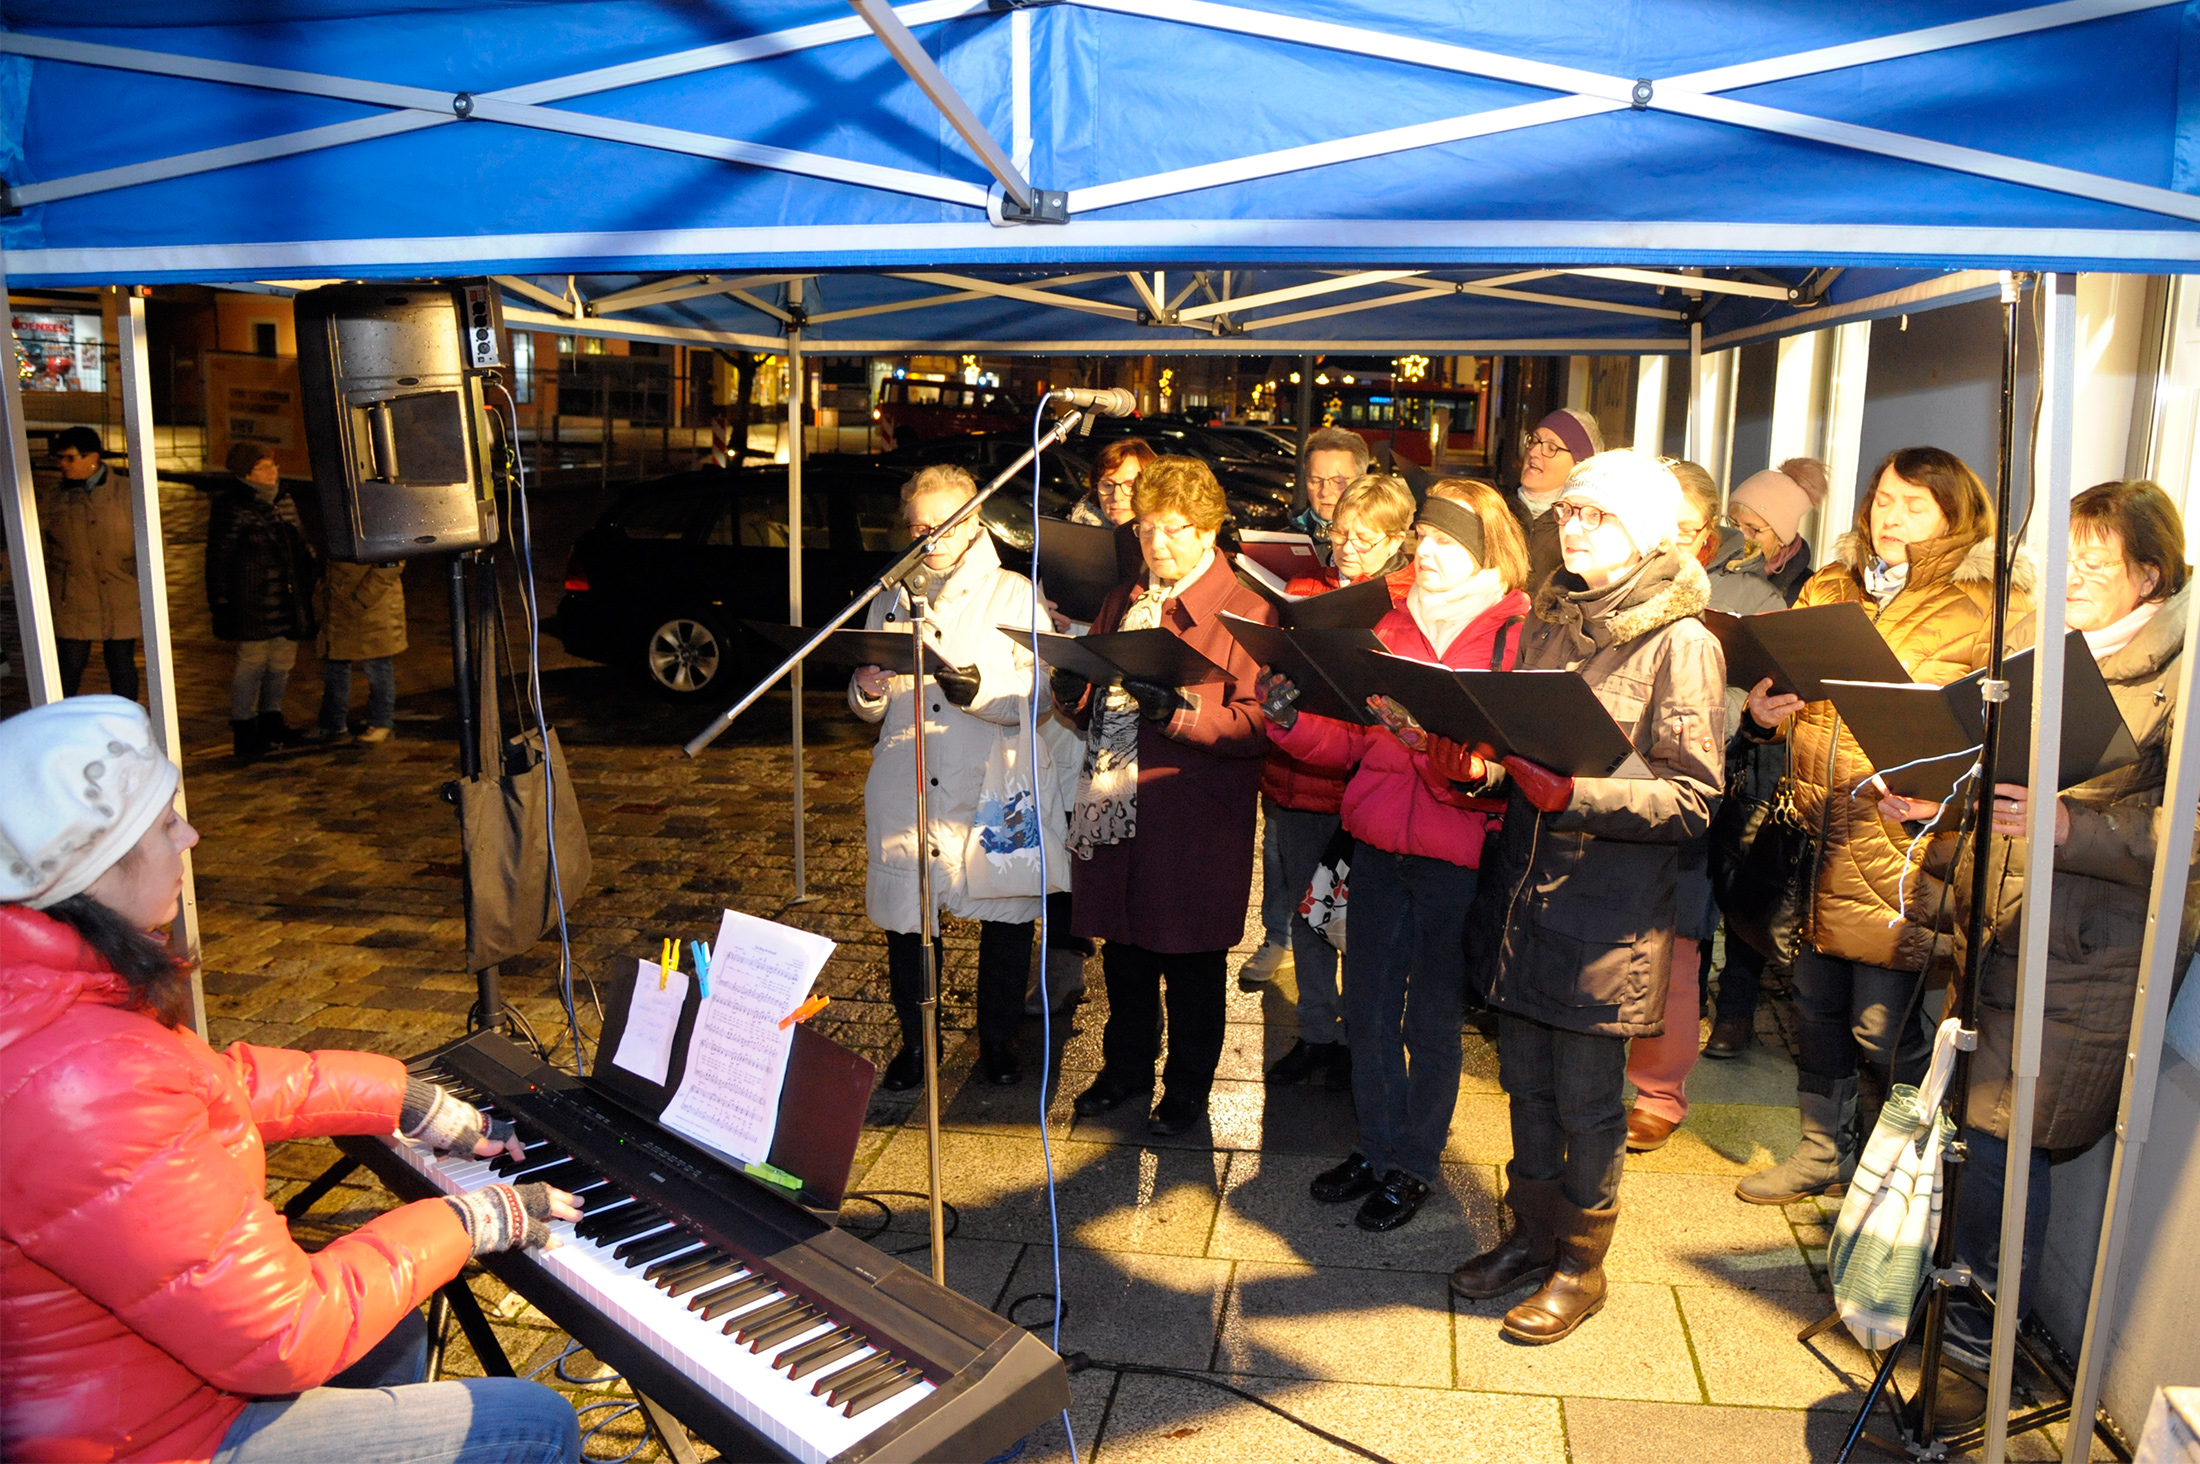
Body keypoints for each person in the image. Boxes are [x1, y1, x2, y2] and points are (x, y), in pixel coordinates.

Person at [0, 696, 582, 1464]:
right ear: (95, 866)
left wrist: (399, 1099)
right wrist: (473, 1220)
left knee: (392, 1328)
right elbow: (287, 1335)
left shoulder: (43, 998)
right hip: (146, 1441)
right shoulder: (83, 1075)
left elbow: (211, 1085)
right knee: (531, 1425)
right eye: (167, 822)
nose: (191, 835)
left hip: (129, 1392)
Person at [1890, 480, 2193, 1427]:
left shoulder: (2176, 675)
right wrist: (1935, 795)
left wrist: (2069, 826)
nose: (2069, 574)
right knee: (1974, 1134)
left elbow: (2183, 839)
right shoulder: (2042, 656)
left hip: (2087, 957)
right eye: (2064, 554)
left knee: (2010, 1146)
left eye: (2094, 558)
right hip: (2005, 933)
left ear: (2148, 571)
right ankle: (1954, 1312)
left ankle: (1983, 1338)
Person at [1449, 450, 1725, 1344]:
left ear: (1644, 530)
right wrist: (1490, 770)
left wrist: (1577, 795)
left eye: (1595, 515)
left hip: (1606, 915)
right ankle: (1529, 1239)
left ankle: (1580, 1264)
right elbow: (1528, 748)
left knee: (1587, 1100)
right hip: (1527, 894)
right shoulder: (1553, 619)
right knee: (1523, 1085)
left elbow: (1693, 798)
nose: (1572, 526)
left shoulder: (1685, 640)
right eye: (1567, 512)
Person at [1733, 446, 2030, 1205]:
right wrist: (1764, 716)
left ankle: (1897, 1175)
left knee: (1881, 1027)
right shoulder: (1832, 585)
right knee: (1814, 1006)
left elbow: (2007, 737)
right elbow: (1791, 690)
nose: (1891, 517)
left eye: (1915, 505)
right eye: (1884, 500)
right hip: (1814, 829)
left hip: (1902, 844)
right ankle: (1820, 1151)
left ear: (1956, 516)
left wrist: (1953, 800)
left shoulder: (1992, 604)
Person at [1262, 480, 1532, 1231]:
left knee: (1432, 1020)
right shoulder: (1391, 621)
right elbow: (1350, 738)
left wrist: (1442, 753)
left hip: (1458, 854)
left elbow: (1512, 766)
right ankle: (1375, 1147)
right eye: (1425, 541)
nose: (1430, 556)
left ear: (1484, 551)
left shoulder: (1512, 632)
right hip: (1379, 841)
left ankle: (1415, 1163)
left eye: (1448, 543)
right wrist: (1289, 721)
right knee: (1371, 1011)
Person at [1055, 456, 1274, 1136]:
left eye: (1173, 530)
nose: (1156, 544)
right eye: (1146, 527)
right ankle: (1124, 1070)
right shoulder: (1124, 598)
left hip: (1191, 818)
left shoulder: (1248, 611)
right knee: (1124, 948)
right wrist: (1074, 691)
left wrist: (1179, 712)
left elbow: (1259, 725)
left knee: (1191, 961)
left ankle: (1186, 1089)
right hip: (1118, 798)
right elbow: (1094, 678)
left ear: (1209, 530)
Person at [851, 465, 1062, 1092]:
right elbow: (872, 689)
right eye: (919, 527)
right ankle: (917, 1045)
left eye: (943, 525)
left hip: (991, 780)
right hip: (909, 779)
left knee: (1003, 922)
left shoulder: (1013, 593)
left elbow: (1043, 691)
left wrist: (978, 688)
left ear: (972, 522)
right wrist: (865, 691)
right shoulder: (891, 593)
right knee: (908, 919)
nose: (931, 539)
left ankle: (998, 1042)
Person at [1248, 476, 1420, 1089]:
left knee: (1361, 925)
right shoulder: (1305, 590)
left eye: (1364, 539)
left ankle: (1359, 1039)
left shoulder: (1408, 601)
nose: (1345, 547)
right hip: (1298, 776)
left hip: (1363, 781)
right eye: (1339, 533)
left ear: (1399, 541)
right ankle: (1316, 1033)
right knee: (1305, 914)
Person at [1702, 459, 1826, 1060]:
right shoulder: (1724, 566)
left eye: (1753, 528)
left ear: (1783, 532)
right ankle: (1702, 996)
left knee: (1756, 874)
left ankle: (1736, 1010)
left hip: (1781, 750)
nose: (1741, 536)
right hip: (1740, 737)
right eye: (1737, 523)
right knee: (1720, 871)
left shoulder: (1812, 584)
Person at [207, 442, 318, 760]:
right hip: (252, 602)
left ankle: (273, 721)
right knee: (251, 664)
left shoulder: (283, 499)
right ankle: (245, 729)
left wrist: (308, 567)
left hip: (287, 599)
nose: (274, 472)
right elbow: (218, 558)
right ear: (246, 474)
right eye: (265, 467)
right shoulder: (233, 506)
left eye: (274, 466)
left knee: (281, 664)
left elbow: (300, 540)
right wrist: (221, 602)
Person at [41, 426, 140, 702]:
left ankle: (127, 726)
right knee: (67, 668)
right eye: (60, 458)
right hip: (73, 598)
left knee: (121, 666)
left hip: (119, 597)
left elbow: (151, 545)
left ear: (93, 457)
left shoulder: (126, 493)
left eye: (70, 458)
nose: (63, 465)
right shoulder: (55, 497)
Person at [1509, 408, 1603, 593]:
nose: (1534, 451)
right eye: (1534, 441)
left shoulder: (1583, 531)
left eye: (1551, 448)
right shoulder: (1497, 512)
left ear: (1578, 466)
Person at [313, 559, 407, 744]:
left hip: (373, 605)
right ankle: (333, 724)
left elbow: (391, 562)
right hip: (339, 601)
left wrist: (363, 597)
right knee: (335, 663)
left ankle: (381, 721)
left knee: (377, 665)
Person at [1725, 458, 1829, 606]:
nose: (1740, 535)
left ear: (1781, 538)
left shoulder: (1806, 592)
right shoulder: (1712, 569)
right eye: (1733, 523)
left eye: (1753, 529)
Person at [1291, 427, 1373, 563]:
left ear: (1361, 482)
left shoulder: (1381, 543)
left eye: (1338, 482)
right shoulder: (1284, 540)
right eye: (1316, 481)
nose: (1325, 492)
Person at [1068, 437, 1156, 527]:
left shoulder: (1167, 539)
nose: (1117, 496)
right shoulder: (1073, 536)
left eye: (1130, 485)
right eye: (1108, 485)